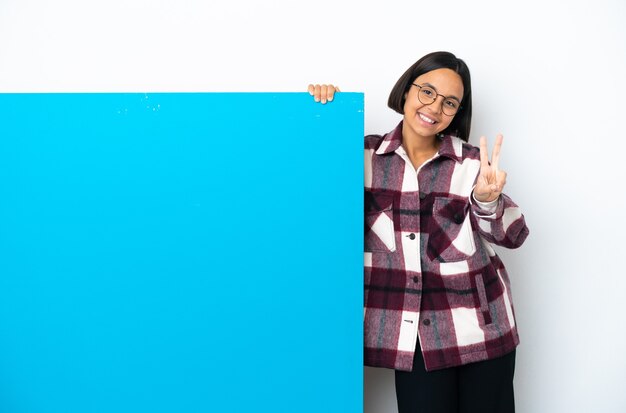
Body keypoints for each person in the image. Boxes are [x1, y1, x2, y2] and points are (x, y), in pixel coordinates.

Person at [309, 51, 529, 413]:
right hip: (414, 337)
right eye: (427, 91)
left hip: (483, 330)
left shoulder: (473, 163)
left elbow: (514, 235)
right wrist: (322, 113)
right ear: (407, 91)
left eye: (450, 103)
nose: (435, 107)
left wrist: (488, 200)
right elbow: (308, 182)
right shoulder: (360, 157)